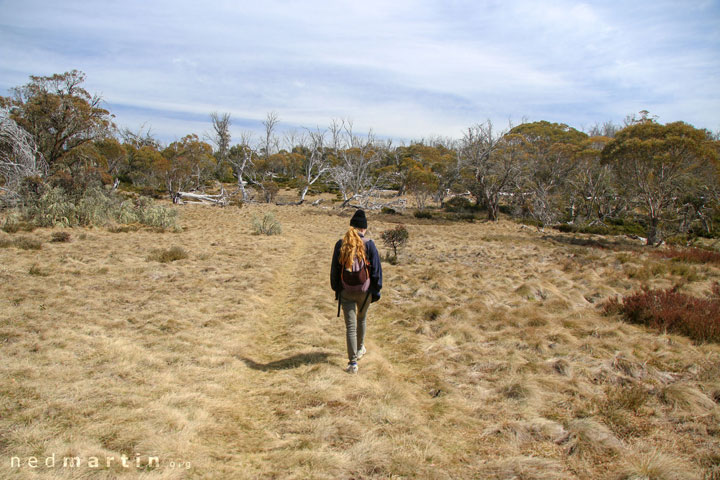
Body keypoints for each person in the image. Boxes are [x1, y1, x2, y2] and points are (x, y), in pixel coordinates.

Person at [330, 209, 382, 374]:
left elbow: (334, 271)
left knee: (350, 327)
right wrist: (375, 291)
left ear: (351, 226)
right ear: (363, 228)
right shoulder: (369, 244)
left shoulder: (341, 244)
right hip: (364, 292)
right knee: (362, 319)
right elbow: (376, 272)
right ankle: (360, 349)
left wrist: (337, 289)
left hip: (346, 291)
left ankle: (353, 364)